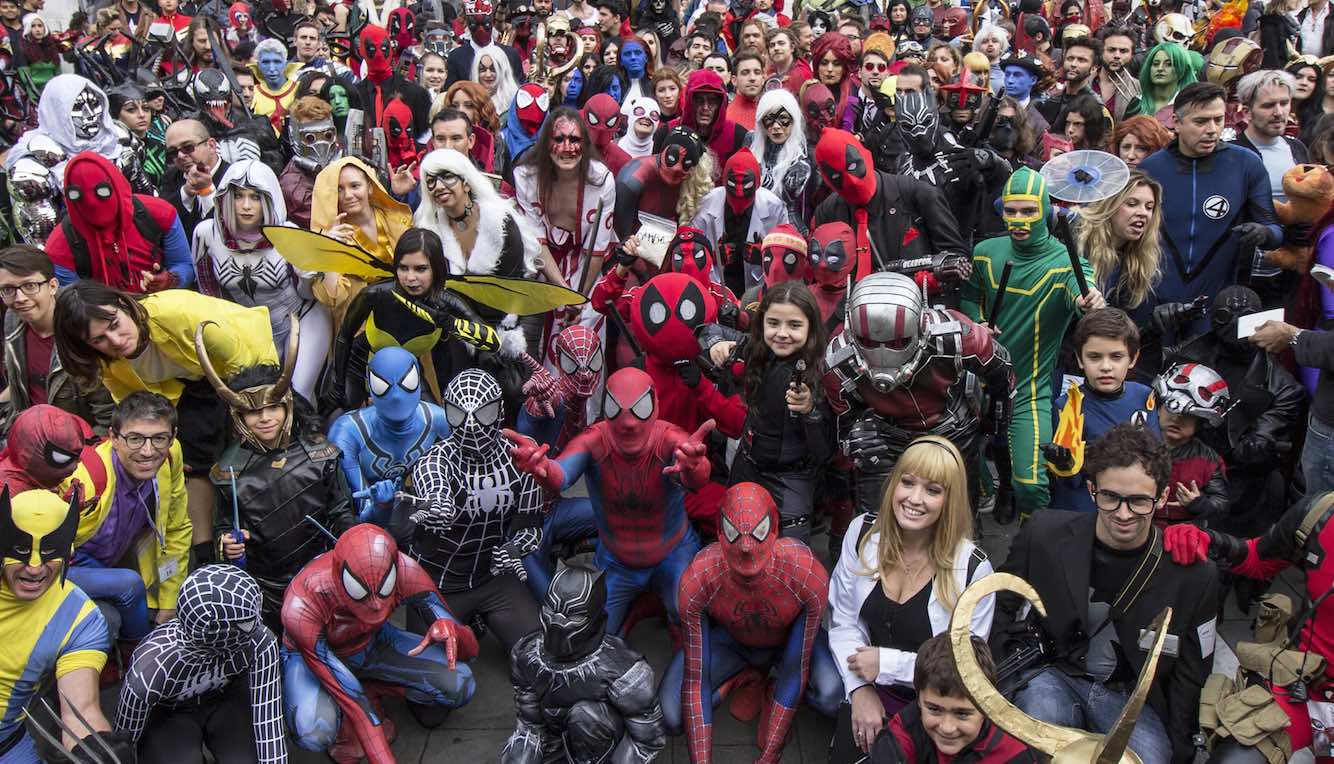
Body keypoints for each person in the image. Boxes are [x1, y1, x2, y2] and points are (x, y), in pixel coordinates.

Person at [995, 423, 1219, 764]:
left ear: (1161, 497)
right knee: (1033, 742)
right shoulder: (1044, 532)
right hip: (1053, 674)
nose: (1123, 514)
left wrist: (1182, 748)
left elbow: (1192, 672)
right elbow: (998, 602)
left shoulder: (1194, 574)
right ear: (1091, 489)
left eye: (1139, 501)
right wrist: (1001, 670)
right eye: (1110, 497)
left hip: (1133, 700)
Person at [52, 282, 278, 561]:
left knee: (259, 441)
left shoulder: (177, 313)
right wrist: (164, 445)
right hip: (187, 386)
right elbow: (138, 407)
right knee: (191, 461)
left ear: (123, 305)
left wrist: (250, 415)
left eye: (114, 324)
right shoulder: (109, 363)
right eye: (99, 339)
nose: (115, 340)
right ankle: (205, 552)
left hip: (248, 365)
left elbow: (246, 360)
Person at [504, 367, 715, 633]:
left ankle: (651, 603)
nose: (629, 423)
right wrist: (543, 468)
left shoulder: (670, 439)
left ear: (656, 406)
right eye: (616, 409)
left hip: (672, 553)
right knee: (595, 633)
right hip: (617, 561)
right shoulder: (594, 440)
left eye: (640, 409)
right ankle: (642, 604)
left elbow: (696, 475)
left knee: (686, 611)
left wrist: (695, 466)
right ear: (605, 407)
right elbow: (562, 474)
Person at [826, 436, 995, 763]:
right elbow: (842, 619)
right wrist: (860, 689)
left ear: (950, 500)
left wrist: (886, 664)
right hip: (866, 681)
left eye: (933, 490)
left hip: (936, 705)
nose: (915, 499)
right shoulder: (862, 533)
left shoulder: (974, 570)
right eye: (907, 482)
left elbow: (963, 667)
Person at [659, 483, 841, 762]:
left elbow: (796, 666)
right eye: (734, 533)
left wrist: (769, 756)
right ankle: (741, 679)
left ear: (774, 528)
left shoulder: (805, 572)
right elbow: (695, 679)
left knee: (832, 695)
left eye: (758, 532)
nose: (745, 547)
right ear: (720, 532)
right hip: (732, 642)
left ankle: (772, 689)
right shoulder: (699, 578)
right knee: (671, 716)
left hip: (787, 642)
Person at [963, 167, 1105, 518]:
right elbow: (969, 296)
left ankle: (1033, 539)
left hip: (1028, 388)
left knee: (1031, 485)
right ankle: (987, 494)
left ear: (1045, 211)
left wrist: (1089, 300)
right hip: (976, 382)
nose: (1019, 220)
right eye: (1011, 210)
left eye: (1028, 210)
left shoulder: (1065, 263)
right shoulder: (985, 251)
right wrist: (977, 324)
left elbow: (1083, 291)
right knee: (957, 460)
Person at [201, 322, 356, 632]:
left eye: (273, 407)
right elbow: (223, 527)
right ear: (239, 416)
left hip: (323, 575)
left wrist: (352, 545)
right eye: (253, 412)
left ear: (287, 406)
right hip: (264, 588)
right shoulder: (228, 471)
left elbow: (341, 511)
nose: (264, 418)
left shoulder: (320, 454)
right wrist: (226, 544)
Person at [280, 523, 478, 764]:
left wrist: (454, 631)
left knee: (459, 683)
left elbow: (470, 652)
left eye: (384, 588)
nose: (375, 605)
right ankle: (342, 715)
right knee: (313, 731)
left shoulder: (406, 571)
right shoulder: (304, 600)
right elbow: (352, 701)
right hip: (311, 659)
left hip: (371, 643)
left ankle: (373, 688)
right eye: (360, 590)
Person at [402, 369, 544, 655]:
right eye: (458, 414)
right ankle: (469, 624)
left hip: (491, 576)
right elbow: (433, 483)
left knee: (535, 654)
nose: (470, 425)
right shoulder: (437, 460)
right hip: (437, 582)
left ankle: (478, 621)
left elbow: (531, 527)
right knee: (430, 677)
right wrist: (437, 504)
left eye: (483, 413)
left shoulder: (520, 457)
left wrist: (515, 548)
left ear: (499, 412)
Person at [192, 159, 331, 404]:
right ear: (226, 197)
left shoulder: (287, 232)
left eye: (255, 197)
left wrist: (307, 276)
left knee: (298, 393)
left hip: (302, 318)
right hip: (249, 330)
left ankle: (312, 426)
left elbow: (307, 295)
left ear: (268, 198)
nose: (246, 206)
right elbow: (209, 297)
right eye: (239, 196)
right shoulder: (206, 234)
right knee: (256, 398)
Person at [1140, 82, 1283, 318]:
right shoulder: (1151, 169)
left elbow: (1276, 233)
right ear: (1176, 122)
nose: (1212, 130)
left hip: (1219, 306)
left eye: (1218, 120)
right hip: (1156, 303)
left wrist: (1263, 233)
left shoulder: (1246, 164)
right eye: (1201, 121)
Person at [115, 566, 286, 764]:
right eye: (247, 623)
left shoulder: (260, 640)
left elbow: (269, 724)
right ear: (212, 630)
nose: (259, 622)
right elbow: (124, 744)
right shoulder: (150, 667)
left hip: (226, 701)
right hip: (171, 712)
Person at [502, 564, 666, 763]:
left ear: (597, 618)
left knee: (587, 716)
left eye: (574, 616)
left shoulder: (624, 670)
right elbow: (530, 722)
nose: (557, 623)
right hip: (554, 739)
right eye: (551, 610)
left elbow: (647, 740)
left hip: (602, 745)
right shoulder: (525, 652)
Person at [0, 487, 117, 764]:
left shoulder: (80, 618)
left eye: (49, 552)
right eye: (21, 550)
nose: (34, 567)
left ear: (69, 552)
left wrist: (95, 751)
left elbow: (82, 710)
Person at [66, 392, 189, 641]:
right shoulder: (85, 475)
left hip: (112, 563)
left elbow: (175, 529)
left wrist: (169, 602)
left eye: (159, 438)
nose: (147, 451)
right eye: (134, 439)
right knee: (122, 595)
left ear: (173, 437)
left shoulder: (170, 456)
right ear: (113, 437)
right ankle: (141, 649)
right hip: (66, 565)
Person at [513, 108, 617, 352]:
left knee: (585, 339)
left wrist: (578, 298)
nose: (567, 148)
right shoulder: (526, 177)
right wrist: (562, 291)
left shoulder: (602, 180)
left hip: (587, 269)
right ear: (546, 142)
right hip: (543, 267)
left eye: (574, 139)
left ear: (585, 143)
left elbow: (597, 248)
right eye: (559, 139)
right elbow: (536, 242)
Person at [811, 129, 966, 287]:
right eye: (836, 177)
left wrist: (932, 281)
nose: (852, 181)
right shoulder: (828, 212)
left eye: (853, 166)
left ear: (866, 155)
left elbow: (956, 258)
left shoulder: (918, 194)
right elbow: (819, 277)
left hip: (916, 297)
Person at [1044, 309, 1161, 513]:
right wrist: (1064, 464)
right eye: (1094, 357)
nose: (1105, 366)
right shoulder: (1068, 405)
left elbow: (1156, 458)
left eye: (1116, 356)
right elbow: (1071, 484)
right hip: (1085, 506)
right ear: (1080, 359)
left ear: (1133, 358)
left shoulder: (1144, 396)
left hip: (1131, 502)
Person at [870, 634, 1040, 763]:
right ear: (919, 700)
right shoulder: (899, 737)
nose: (947, 728)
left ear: (986, 707)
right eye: (934, 709)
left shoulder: (1016, 752)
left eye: (962, 714)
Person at [0, 246, 112, 436]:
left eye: (30, 286)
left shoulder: (83, 333)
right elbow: (23, 381)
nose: (20, 298)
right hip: (27, 432)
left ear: (52, 286)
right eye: (8, 289)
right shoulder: (13, 319)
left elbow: (108, 419)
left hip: (78, 442)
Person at [46, 152, 194, 294]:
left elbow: (184, 265)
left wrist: (170, 280)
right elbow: (73, 302)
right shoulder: (61, 245)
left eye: (101, 192)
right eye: (78, 195)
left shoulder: (159, 213)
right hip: (102, 310)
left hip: (163, 304)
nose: (91, 203)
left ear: (116, 185)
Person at [1231, 69, 1310, 308]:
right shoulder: (1232, 154)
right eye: (1268, 105)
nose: (1278, 112)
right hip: (1244, 274)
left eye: (1284, 103)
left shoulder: (1297, 148)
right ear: (1247, 111)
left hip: (1290, 274)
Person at [310, 156, 415, 323]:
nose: (348, 195)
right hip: (360, 324)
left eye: (355, 186)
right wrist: (329, 248)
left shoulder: (395, 219)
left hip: (406, 313)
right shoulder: (335, 235)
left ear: (370, 187)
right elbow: (332, 298)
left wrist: (401, 194)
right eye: (339, 189)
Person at [1076, 171, 1164, 333]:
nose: (1143, 213)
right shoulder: (1077, 241)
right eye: (1132, 204)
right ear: (1109, 205)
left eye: (1149, 207)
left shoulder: (1140, 261)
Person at [1151, 361, 1232, 528]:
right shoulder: (1133, 443)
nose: (1176, 418)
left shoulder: (1209, 460)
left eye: (1188, 415)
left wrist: (1199, 504)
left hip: (1182, 532)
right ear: (1158, 408)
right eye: (1170, 408)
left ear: (1201, 422)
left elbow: (1222, 504)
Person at [750, 88, 814, 234]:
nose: (776, 126)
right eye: (769, 120)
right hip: (754, 226)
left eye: (783, 119)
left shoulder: (801, 163)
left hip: (787, 230)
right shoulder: (751, 145)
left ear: (793, 120)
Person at [279, 96, 343, 230]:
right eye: (310, 138)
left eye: (328, 136)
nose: (321, 145)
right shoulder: (292, 184)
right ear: (295, 137)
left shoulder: (339, 167)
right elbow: (325, 222)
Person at [161, 119, 229, 242]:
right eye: (173, 152)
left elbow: (232, 225)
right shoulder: (171, 177)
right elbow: (163, 219)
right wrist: (186, 193)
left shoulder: (234, 176)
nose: (181, 156)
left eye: (188, 147)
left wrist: (207, 191)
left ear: (211, 146)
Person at [1137, 42, 1197, 123]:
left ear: (1183, 69)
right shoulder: (1137, 103)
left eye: (1169, 64)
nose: (1160, 68)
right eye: (1155, 64)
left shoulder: (1191, 105)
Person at [1096, 27, 1141, 122]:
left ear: (1132, 55)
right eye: (1111, 50)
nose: (1117, 56)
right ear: (1101, 51)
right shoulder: (1085, 81)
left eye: (1123, 51)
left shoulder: (1137, 88)